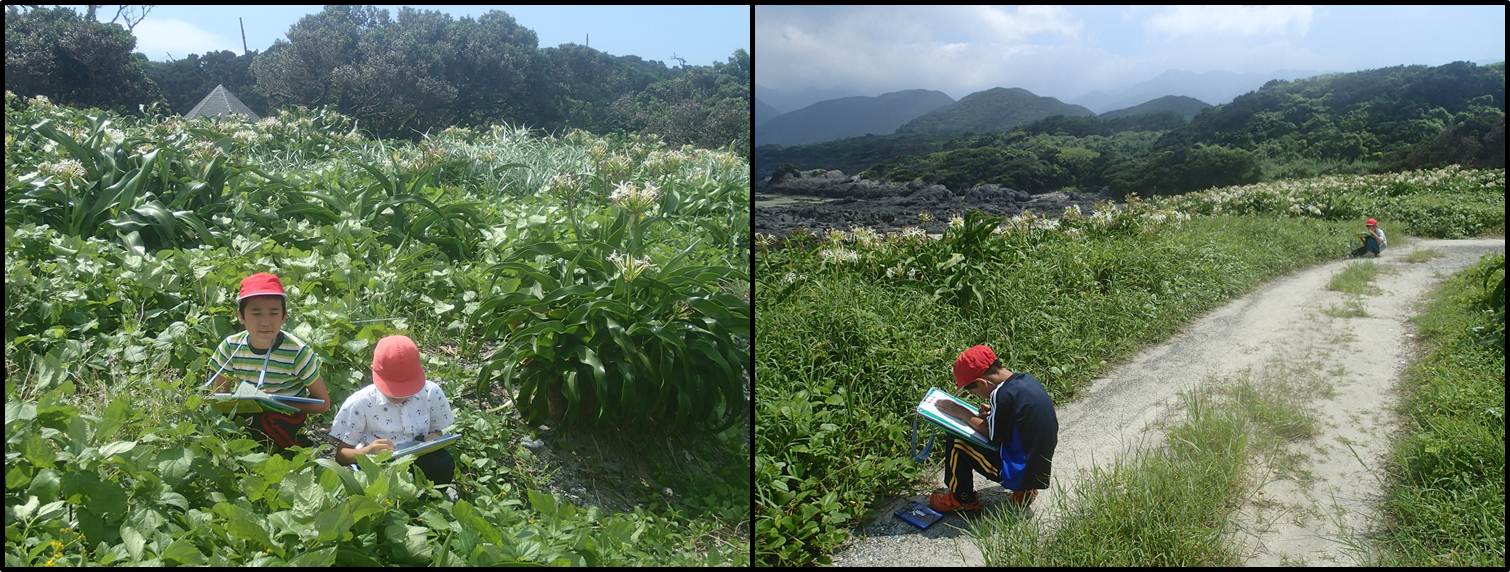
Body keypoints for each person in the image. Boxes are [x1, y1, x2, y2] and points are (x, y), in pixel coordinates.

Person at [208, 272, 331, 452]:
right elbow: (219, 398)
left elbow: (323, 403)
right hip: (247, 410)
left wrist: (277, 403)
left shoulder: (298, 352)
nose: (265, 322)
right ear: (241, 316)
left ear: (284, 316)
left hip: (285, 415)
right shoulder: (230, 347)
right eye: (256, 313)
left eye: (274, 313)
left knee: (266, 423)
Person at [929, 344, 1058, 513]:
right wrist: (993, 414)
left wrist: (963, 414)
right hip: (1037, 467)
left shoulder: (1000, 394)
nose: (974, 395)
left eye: (970, 390)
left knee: (958, 441)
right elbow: (1021, 420)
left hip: (1019, 471)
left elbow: (993, 435)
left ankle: (961, 499)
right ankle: (1024, 491)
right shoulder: (1026, 380)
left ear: (983, 383)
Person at [328, 335, 457, 498]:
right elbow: (341, 455)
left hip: (418, 457)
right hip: (379, 464)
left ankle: (430, 501)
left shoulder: (431, 392)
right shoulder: (360, 403)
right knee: (378, 487)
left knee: (442, 462)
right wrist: (368, 451)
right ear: (372, 370)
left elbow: (439, 431)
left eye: (408, 390)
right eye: (393, 390)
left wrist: (434, 438)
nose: (400, 397)